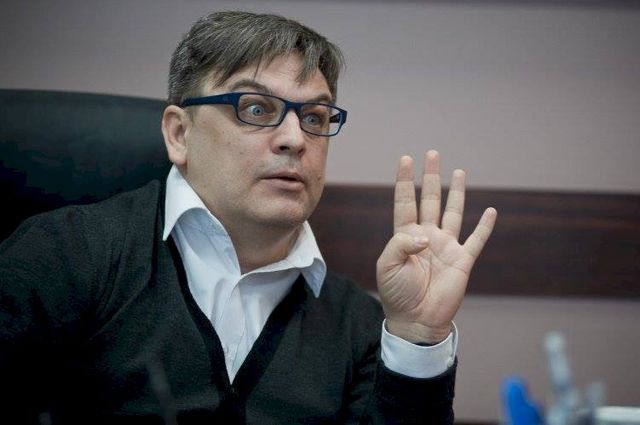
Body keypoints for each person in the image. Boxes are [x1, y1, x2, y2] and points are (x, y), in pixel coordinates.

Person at [0, 10, 497, 425]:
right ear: (179, 134)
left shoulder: (360, 325)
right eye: (255, 109)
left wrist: (415, 336)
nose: (295, 139)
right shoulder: (65, 255)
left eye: (315, 117)